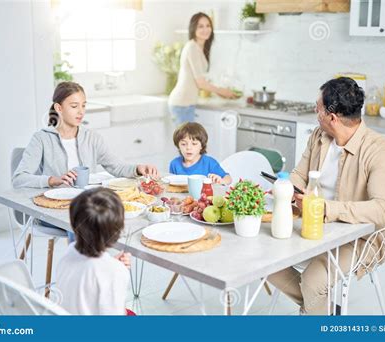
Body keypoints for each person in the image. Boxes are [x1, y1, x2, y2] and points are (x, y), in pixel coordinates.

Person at [267, 77, 385, 315]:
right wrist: (286, 189)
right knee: (261, 261)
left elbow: (383, 210)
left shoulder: (381, 151)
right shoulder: (320, 136)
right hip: (311, 223)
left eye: (318, 109)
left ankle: (317, 315)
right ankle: (324, 312)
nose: (315, 113)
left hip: (360, 238)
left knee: (313, 282)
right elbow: (299, 174)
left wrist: (325, 208)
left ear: (332, 117)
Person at [12, 81, 158, 189]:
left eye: (83, 105)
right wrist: (52, 180)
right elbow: (19, 179)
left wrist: (138, 168)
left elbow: (117, 167)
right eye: (74, 106)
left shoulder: (92, 138)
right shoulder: (41, 139)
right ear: (59, 108)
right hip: (56, 206)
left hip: (87, 205)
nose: (81, 112)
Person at [56, 188, 133, 315]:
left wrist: (111, 264)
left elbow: (88, 271)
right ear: (117, 232)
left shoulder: (68, 254)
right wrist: (114, 268)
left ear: (73, 223)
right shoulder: (116, 272)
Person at [168, 12, 238, 126]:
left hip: (187, 104)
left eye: (208, 25)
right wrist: (222, 91)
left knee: (189, 142)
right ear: (193, 28)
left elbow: (203, 79)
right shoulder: (192, 47)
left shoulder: (199, 48)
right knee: (188, 143)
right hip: (181, 104)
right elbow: (201, 83)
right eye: (200, 26)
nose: (205, 29)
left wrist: (222, 93)